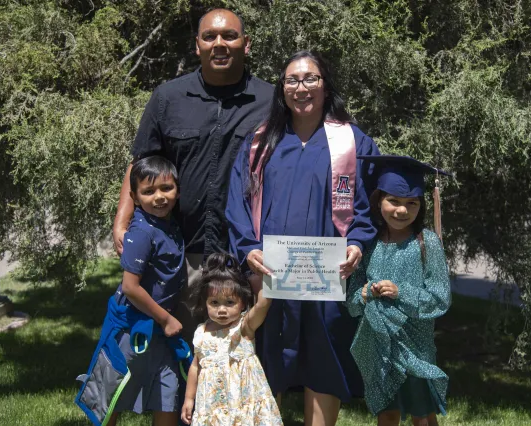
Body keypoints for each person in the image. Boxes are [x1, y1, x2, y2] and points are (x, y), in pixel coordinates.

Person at [226, 50, 380, 426]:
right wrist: (248, 250)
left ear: (326, 86)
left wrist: (358, 244)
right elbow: (237, 203)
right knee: (267, 360)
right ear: (282, 89)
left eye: (311, 78)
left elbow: (369, 207)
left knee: (324, 360)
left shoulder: (353, 144)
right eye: (292, 80)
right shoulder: (259, 144)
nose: (301, 87)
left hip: (328, 280)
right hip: (271, 278)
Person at [111, 8, 273, 347]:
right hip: (179, 253)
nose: (219, 44)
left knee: (244, 353)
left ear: (246, 44)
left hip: (246, 253)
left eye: (229, 35)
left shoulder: (272, 101)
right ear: (196, 44)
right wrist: (121, 221)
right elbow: (141, 162)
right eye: (210, 36)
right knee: (181, 351)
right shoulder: (167, 98)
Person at [75, 156, 187, 426]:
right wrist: (166, 319)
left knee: (167, 395)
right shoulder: (141, 233)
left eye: (166, 188)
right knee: (113, 394)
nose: (159, 197)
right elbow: (130, 287)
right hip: (130, 331)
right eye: (148, 192)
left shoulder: (169, 226)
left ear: (178, 190)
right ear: (135, 197)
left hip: (160, 334)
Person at [346, 155, 452, 426]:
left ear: (421, 205)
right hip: (379, 345)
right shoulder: (368, 243)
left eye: (411, 203)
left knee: (422, 415)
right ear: (378, 200)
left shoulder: (426, 243)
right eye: (393, 201)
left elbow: (440, 299)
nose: (402, 210)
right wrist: (366, 292)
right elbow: (352, 302)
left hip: (416, 346)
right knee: (387, 413)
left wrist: (401, 292)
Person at [179, 253, 283, 425]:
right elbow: (195, 367)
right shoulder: (201, 332)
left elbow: (263, 304)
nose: (222, 310)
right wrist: (189, 399)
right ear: (205, 303)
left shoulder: (244, 327)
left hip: (242, 400)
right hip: (212, 405)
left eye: (229, 302)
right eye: (214, 303)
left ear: (242, 303)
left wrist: (266, 276)